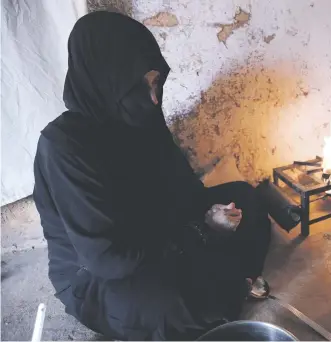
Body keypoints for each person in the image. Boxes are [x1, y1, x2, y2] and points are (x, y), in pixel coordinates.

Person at [33, 11, 271, 340]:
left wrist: (211, 215)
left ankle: (226, 281)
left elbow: (186, 189)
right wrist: (201, 232)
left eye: (156, 82)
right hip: (100, 275)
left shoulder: (142, 117)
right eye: (140, 86)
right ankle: (226, 283)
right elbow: (108, 259)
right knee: (168, 307)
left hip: (161, 234)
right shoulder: (64, 148)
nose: (154, 99)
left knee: (247, 199)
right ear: (107, 80)